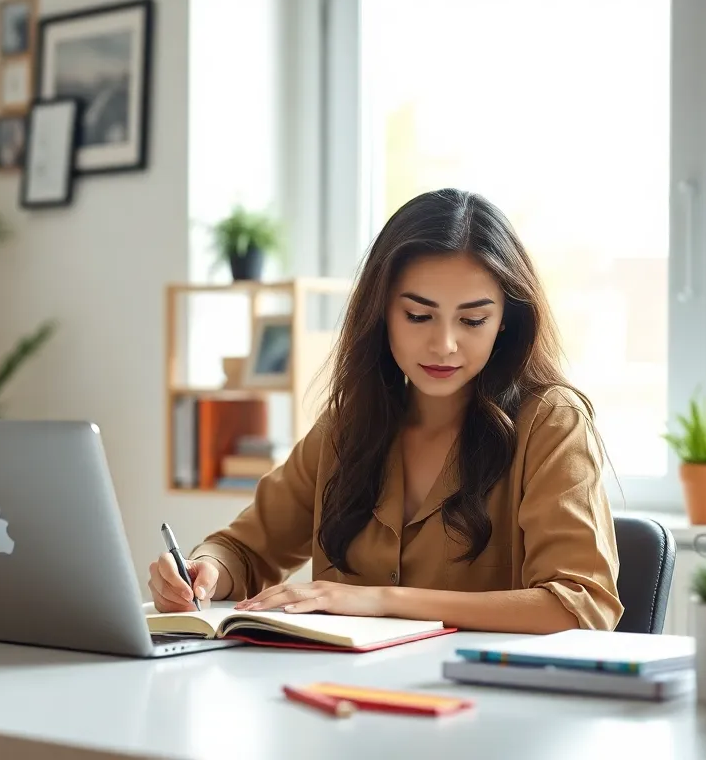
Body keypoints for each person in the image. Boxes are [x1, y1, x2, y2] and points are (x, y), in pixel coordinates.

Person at [149, 188, 623, 634]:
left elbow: (580, 605)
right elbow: (244, 549)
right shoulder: (348, 427)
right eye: (418, 316)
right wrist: (204, 570)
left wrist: (381, 600)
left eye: (473, 320)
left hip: (483, 708)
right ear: (382, 312)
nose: (444, 345)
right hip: (341, 700)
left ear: (505, 321)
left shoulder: (551, 423)